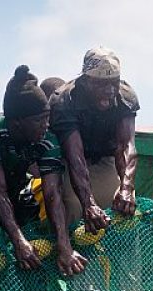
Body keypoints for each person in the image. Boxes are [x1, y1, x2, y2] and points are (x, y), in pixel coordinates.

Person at [0, 65, 86, 276]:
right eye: (39, 120)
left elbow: (53, 194)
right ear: (16, 122)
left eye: (47, 118)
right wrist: (18, 240)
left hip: (19, 198)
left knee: (34, 257)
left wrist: (64, 245)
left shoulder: (47, 139)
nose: (46, 125)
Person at [49, 47, 139, 231]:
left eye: (114, 83)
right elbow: (75, 157)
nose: (110, 90)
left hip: (106, 158)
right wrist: (88, 203)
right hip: (69, 161)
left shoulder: (124, 96)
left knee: (124, 210)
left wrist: (127, 187)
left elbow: (125, 145)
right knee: (75, 207)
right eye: (101, 84)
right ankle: (68, 255)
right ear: (85, 80)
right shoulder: (64, 100)